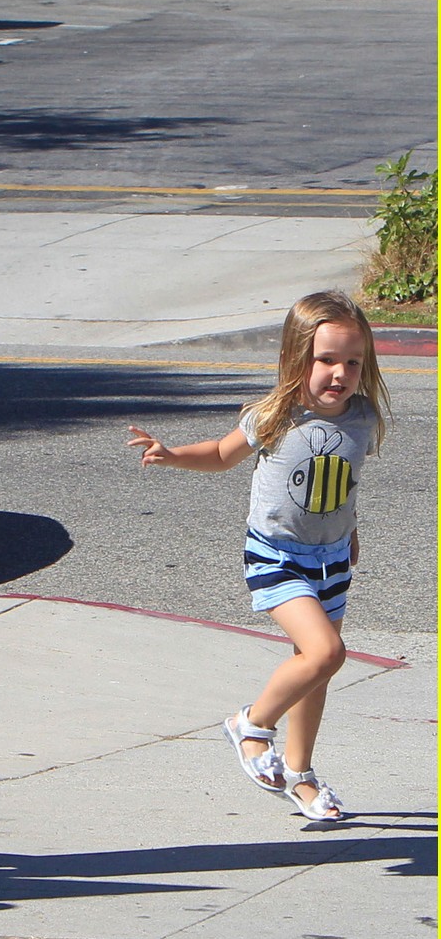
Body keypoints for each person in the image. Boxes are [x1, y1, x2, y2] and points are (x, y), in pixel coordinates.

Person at [127, 291, 390, 822]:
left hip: (332, 558)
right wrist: (173, 454)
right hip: (277, 556)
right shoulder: (275, 415)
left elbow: (342, 485)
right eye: (326, 360)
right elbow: (223, 455)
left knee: (314, 668)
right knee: (325, 653)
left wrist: (351, 530)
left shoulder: (361, 418)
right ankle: (251, 725)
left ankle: (300, 774)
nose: (340, 373)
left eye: (353, 362)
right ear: (298, 358)